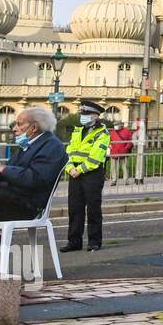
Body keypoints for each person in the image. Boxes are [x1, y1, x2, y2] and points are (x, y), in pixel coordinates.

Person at [62, 100, 110, 252]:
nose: (83, 116)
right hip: (75, 173)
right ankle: (74, 241)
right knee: (74, 208)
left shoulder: (102, 133)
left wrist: (79, 169)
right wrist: (69, 167)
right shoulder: (77, 131)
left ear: (95, 116)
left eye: (86, 113)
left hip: (92, 173)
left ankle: (94, 241)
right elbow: (70, 151)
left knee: (93, 209)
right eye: (82, 113)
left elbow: (96, 157)